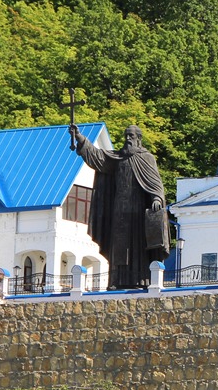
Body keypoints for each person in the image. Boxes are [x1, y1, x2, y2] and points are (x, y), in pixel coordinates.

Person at [70, 124, 170, 289]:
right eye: (126, 135)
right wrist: (80, 138)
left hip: (138, 210)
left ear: (139, 138)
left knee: (137, 245)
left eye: (131, 136)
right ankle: (117, 280)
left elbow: (155, 183)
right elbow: (98, 158)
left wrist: (157, 199)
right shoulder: (118, 158)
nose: (128, 139)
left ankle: (140, 280)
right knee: (119, 245)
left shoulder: (147, 158)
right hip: (119, 209)